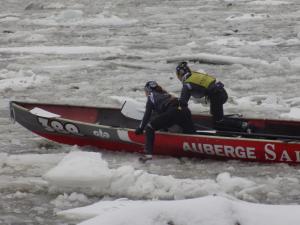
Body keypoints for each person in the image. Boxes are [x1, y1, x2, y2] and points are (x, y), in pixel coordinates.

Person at [175, 61, 250, 132]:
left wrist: (176, 113)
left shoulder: (187, 85)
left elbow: (182, 103)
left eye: (178, 75)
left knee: (218, 122)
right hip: (222, 92)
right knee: (215, 115)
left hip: (216, 95)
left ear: (181, 74)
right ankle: (225, 119)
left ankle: (242, 125)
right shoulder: (195, 74)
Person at [135, 81, 195, 162]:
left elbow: (147, 115)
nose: (145, 93)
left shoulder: (151, 96)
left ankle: (148, 155)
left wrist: (140, 128)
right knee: (192, 136)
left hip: (174, 111)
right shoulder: (165, 94)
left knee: (149, 127)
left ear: (148, 90)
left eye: (145, 91)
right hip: (185, 110)